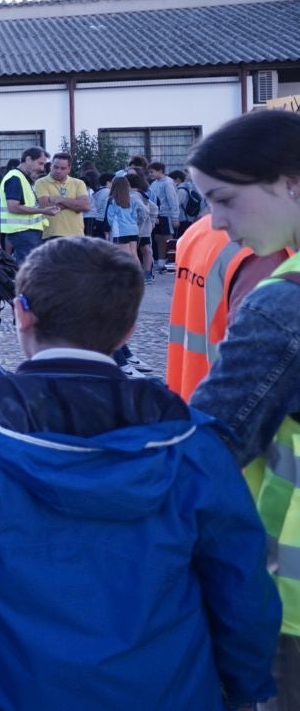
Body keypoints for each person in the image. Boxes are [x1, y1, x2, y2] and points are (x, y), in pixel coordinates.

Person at [0, 235, 277, 709]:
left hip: (4, 684)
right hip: (162, 686)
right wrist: (242, 682)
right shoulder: (190, 443)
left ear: (22, 313)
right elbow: (239, 578)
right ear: (129, 330)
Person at [185, 111, 300, 703]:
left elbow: (211, 446)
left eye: (224, 199)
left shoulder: (282, 306)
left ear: (291, 182)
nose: (217, 223)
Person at [165, 212, 285, 400]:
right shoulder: (265, 247)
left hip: (191, 392)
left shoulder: (199, 230)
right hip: (230, 403)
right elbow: (260, 354)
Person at [0, 146, 57, 264]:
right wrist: (43, 211)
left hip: (25, 232)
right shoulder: (15, 178)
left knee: (29, 268)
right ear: (28, 159)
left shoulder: (21, 178)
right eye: (40, 163)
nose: (42, 168)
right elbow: (13, 207)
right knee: (31, 269)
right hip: (24, 232)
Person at [35, 152, 91, 239]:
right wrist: (74, 204)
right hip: (51, 234)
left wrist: (60, 199)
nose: (58, 171)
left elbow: (85, 206)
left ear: (69, 169)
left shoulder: (78, 183)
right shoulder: (41, 183)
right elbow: (45, 206)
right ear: (50, 166)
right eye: (55, 167)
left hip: (76, 234)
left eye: (63, 168)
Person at [148, 162, 180, 273]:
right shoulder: (154, 184)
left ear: (160, 171)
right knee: (158, 239)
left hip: (167, 215)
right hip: (158, 215)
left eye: (152, 172)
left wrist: (175, 217)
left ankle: (172, 263)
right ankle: (161, 262)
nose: (150, 174)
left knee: (169, 240)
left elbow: (173, 201)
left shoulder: (168, 183)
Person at [105, 175, 143, 264]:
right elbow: (135, 216)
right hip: (133, 229)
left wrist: (110, 229)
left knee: (126, 256)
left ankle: (133, 276)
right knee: (134, 254)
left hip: (120, 230)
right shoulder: (132, 199)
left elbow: (110, 218)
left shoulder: (112, 200)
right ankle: (138, 275)